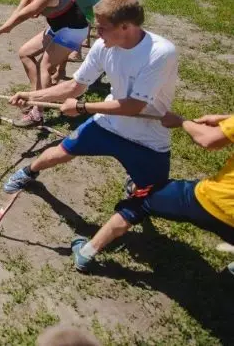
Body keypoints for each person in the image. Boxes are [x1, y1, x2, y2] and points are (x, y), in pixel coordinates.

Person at [3, 0, 178, 211]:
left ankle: (137, 186)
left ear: (125, 27)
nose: (96, 34)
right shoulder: (103, 47)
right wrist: (31, 96)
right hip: (109, 122)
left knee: (155, 195)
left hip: (149, 135)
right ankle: (29, 172)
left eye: (102, 28)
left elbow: (134, 106)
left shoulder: (160, 53)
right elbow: (75, 86)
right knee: (62, 151)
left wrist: (81, 107)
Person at [71, 112, 234, 275]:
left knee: (142, 200)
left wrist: (181, 122)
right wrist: (226, 119)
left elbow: (209, 140)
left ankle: (86, 253)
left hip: (217, 201)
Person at [0, 0, 89, 127]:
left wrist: (0, 31)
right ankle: (37, 97)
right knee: (25, 53)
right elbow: (20, 10)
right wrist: (2, 28)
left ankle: (37, 113)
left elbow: (24, 16)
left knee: (45, 66)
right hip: (59, 27)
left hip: (74, 30)